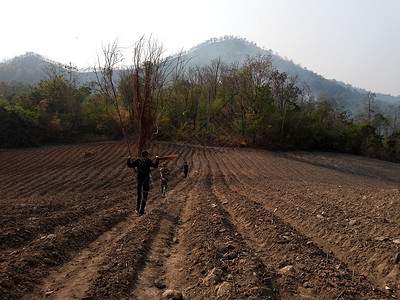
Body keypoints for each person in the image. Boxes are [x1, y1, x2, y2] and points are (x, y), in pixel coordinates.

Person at [127, 150, 161, 216]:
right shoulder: (148, 161)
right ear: (146, 155)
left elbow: (129, 165)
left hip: (139, 179)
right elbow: (155, 166)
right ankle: (141, 210)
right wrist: (157, 159)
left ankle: (137, 208)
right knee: (145, 194)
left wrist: (128, 158)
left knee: (139, 194)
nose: (148, 156)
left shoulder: (138, 161)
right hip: (146, 180)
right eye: (147, 155)